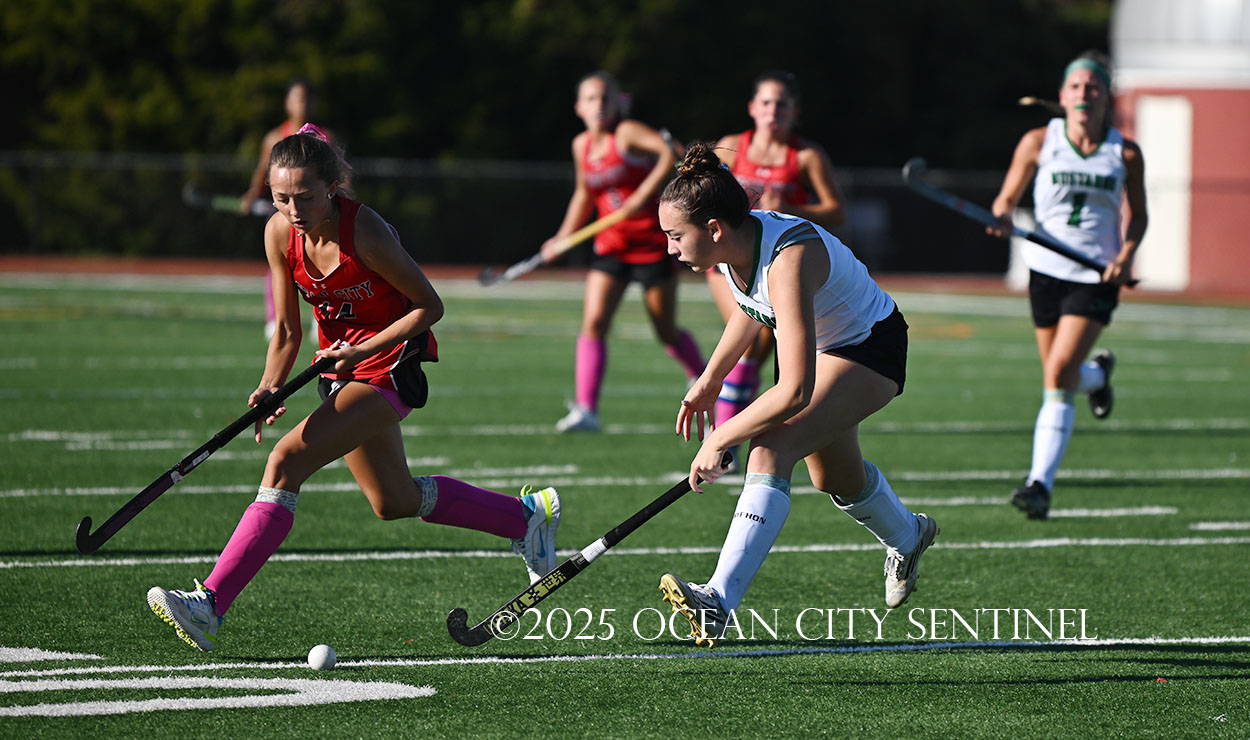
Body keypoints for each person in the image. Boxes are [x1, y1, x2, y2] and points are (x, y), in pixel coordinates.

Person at [146, 125, 561, 652]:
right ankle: (524, 518)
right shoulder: (278, 234)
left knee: (285, 462)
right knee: (393, 499)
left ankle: (209, 604)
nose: (293, 210)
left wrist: (362, 352)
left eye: (304, 197)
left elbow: (429, 306)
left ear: (332, 186)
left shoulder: (366, 232)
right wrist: (269, 387)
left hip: (389, 366)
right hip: (341, 371)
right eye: (280, 198)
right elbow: (288, 331)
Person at [655, 142, 938, 648]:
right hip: (828, 347)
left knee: (771, 447)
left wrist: (720, 436)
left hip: (871, 347)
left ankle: (718, 600)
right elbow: (751, 307)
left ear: (714, 229)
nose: (670, 248)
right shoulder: (732, 247)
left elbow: (794, 391)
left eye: (675, 236)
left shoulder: (789, 257)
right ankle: (909, 536)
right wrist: (711, 379)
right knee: (836, 478)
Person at [987, 51, 1148, 521]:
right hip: (1045, 272)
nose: (1084, 94)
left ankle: (1039, 485)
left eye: (1092, 87)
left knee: (1057, 374)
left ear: (1107, 97)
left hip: (1094, 276)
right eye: (1075, 86)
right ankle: (1097, 376)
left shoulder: (1125, 153)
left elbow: (1139, 216)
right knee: (1061, 375)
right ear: (1062, 95)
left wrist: (1124, 257)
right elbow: (1005, 200)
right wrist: (1001, 217)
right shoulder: (1039, 141)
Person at [541, 71, 705, 433]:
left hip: (652, 244)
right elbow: (584, 193)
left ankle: (701, 376)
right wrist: (561, 237)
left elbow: (669, 152)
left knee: (665, 331)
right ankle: (587, 410)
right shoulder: (581, 145)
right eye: (591, 98)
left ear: (617, 102)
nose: (599, 105)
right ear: (579, 107)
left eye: (605, 97)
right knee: (594, 323)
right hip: (611, 246)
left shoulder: (627, 133)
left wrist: (641, 196)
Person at [709, 71, 848, 460]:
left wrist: (792, 207)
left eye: (782, 104)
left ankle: (734, 428)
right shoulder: (731, 148)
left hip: (778, 262)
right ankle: (724, 441)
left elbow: (837, 211)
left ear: (794, 111)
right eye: (767, 102)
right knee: (751, 340)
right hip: (731, 259)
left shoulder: (806, 155)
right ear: (753, 108)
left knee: (761, 348)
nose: (774, 110)